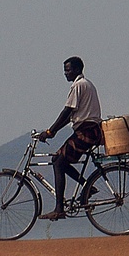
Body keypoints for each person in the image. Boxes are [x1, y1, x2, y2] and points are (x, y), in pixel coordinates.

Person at [37, 56, 102, 221]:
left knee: (58, 161)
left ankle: (59, 209)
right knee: (59, 159)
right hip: (89, 131)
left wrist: (50, 131)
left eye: (68, 70)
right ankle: (88, 186)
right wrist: (52, 131)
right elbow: (70, 115)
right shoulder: (87, 85)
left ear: (77, 70)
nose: (66, 73)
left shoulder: (78, 85)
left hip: (86, 132)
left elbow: (67, 111)